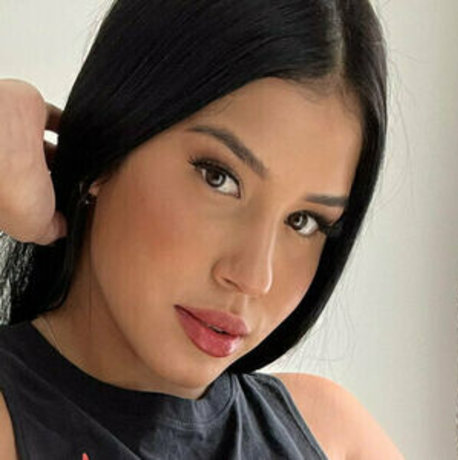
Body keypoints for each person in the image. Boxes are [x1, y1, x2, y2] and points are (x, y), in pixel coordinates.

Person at [0, 1, 404, 458]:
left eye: (303, 221)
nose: (254, 277)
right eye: (219, 178)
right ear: (111, 140)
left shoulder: (332, 437)